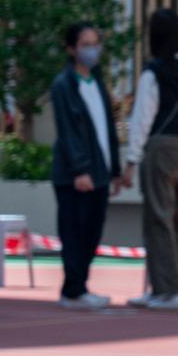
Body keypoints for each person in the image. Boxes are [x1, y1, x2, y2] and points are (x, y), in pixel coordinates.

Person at [122, 8, 178, 310]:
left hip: (161, 147)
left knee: (159, 218)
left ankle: (166, 290)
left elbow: (142, 118)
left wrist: (131, 160)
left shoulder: (154, 71)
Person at [49, 22, 122, 310]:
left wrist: (114, 170)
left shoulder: (97, 82)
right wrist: (79, 170)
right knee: (74, 231)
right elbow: (67, 131)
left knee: (92, 231)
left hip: (100, 172)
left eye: (95, 43)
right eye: (85, 44)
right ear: (71, 49)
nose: (92, 50)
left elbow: (108, 130)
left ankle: (81, 286)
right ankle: (73, 289)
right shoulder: (64, 85)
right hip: (75, 176)